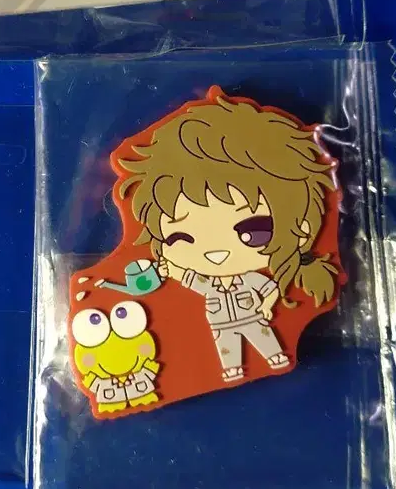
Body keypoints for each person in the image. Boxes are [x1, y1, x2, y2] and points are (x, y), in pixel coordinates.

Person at [117, 89, 339, 383]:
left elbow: (269, 289)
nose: (216, 253)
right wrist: (171, 269)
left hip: (254, 319)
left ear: (302, 229)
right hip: (222, 325)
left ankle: (274, 357)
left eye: (253, 231)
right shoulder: (208, 283)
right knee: (227, 345)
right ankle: (232, 369)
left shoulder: (250, 279)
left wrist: (265, 306)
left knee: (263, 338)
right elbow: (188, 278)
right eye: (181, 237)